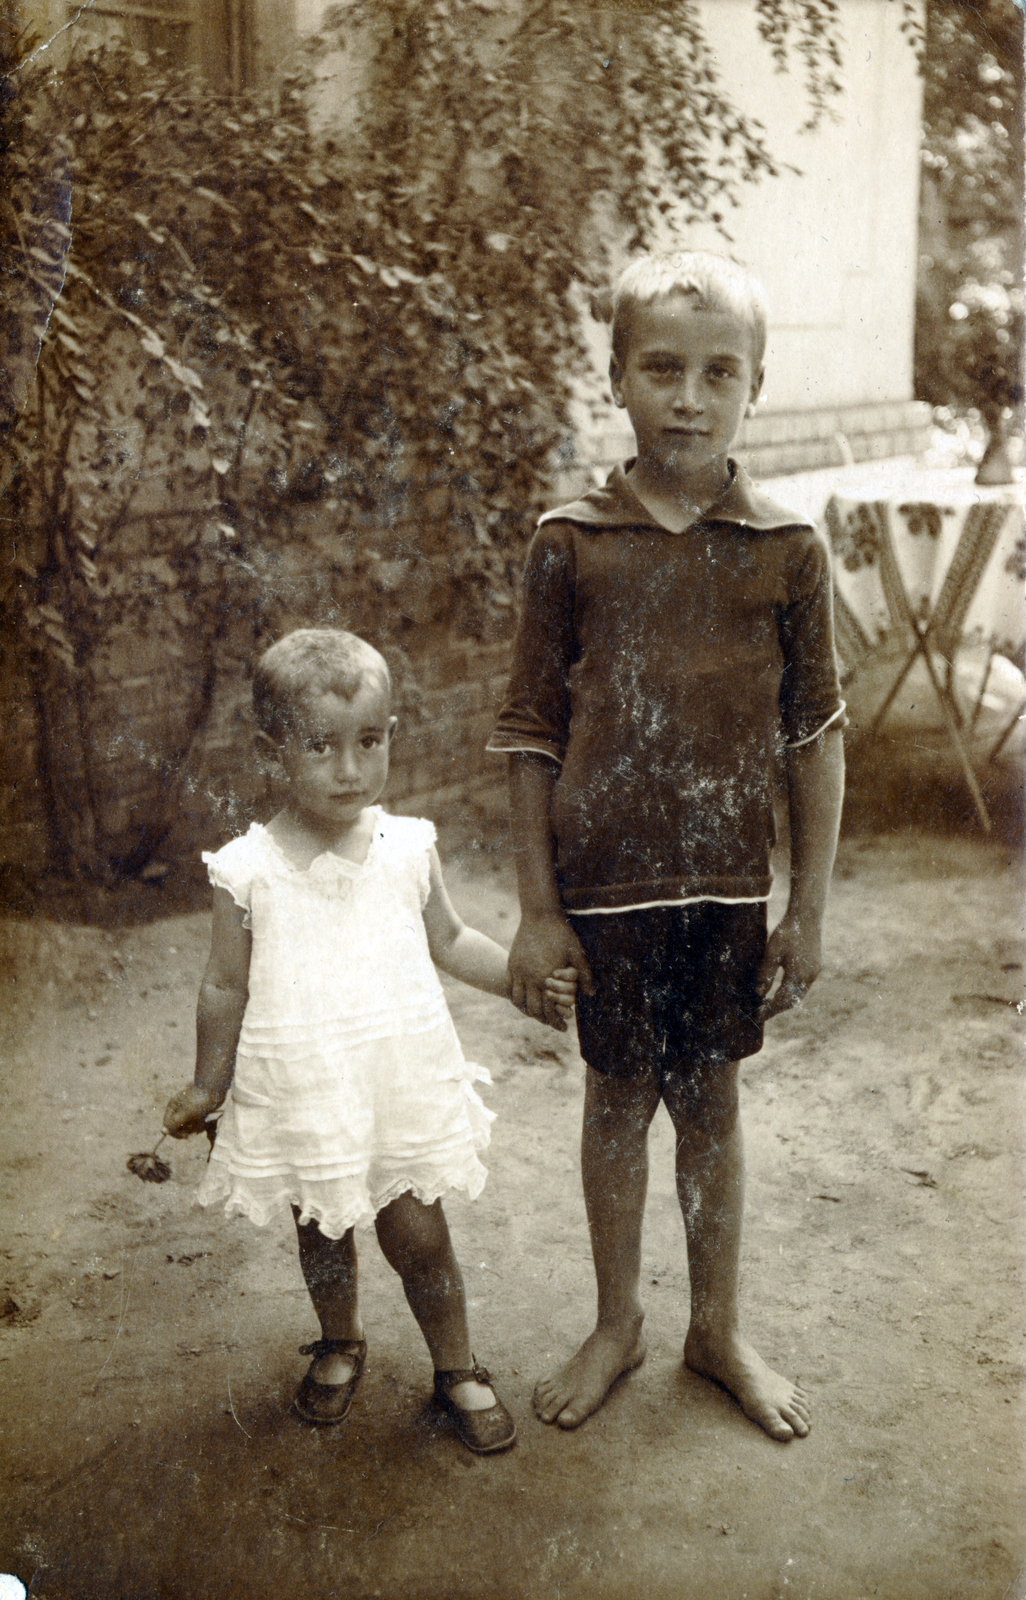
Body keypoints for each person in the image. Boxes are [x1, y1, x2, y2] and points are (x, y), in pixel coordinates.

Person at [488, 251, 845, 1442]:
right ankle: (617, 1320)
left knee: (712, 1109)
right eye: (662, 369)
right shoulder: (571, 540)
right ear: (618, 377)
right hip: (607, 892)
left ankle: (715, 1326)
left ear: (755, 385)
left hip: (729, 890)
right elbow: (530, 733)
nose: (689, 396)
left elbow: (813, 738)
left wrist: (808, 908)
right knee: (614, 1102)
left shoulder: (787, 545)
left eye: (717, 373)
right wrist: (538, 911)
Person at [164, 628, 575, 1454]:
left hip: (395, 1077)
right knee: (320, 1226)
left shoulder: (406, 848)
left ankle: (456, 1364)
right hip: (308, 1085)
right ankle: (340, 1338)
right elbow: (225, 984)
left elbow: (452, 941)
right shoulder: (248, 869)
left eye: (369, 741)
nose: (350, 769)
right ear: (271, 750)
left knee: (417, 1231)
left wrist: (522, 983)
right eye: (322, 747)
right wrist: (208, 1084)